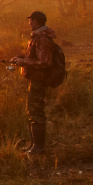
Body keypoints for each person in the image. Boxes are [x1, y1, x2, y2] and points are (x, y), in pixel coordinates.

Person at [10, 10, 57, 155]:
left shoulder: (42, 39)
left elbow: (44, 62)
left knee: (36, 111)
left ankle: (38, 147)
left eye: (30, 20)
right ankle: (34, 145)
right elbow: (34, 57)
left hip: (39, 80)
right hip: (34, 79)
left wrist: (23, 62)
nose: (28, 22)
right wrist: (19, 58)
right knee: (31, 110)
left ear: (36, 21)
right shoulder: (37, 37)